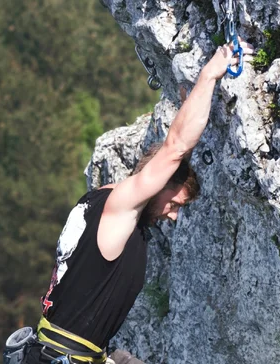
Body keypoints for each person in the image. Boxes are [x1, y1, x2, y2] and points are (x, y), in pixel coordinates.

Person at [22, 40, 254, 364]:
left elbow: (175, 155)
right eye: (175, 205)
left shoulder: (102, 205)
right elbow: (173, 147)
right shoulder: (119, 210)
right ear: (158, 184)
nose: (173, 217)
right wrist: (209, 77)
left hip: (69, 353)